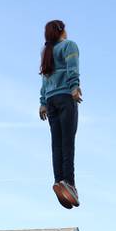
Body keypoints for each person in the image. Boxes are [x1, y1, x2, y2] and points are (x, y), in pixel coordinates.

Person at [38, 19, 82, 210]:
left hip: (51, 101)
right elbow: (73, 67)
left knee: (56, 143)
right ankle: (69, 184)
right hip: (65, 97)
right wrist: (74, 86)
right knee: (67, 142)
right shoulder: (68, 46)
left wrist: (42, 103)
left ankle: (59, 181)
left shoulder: (47, 53)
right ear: (61, 30)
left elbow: (44, 81)